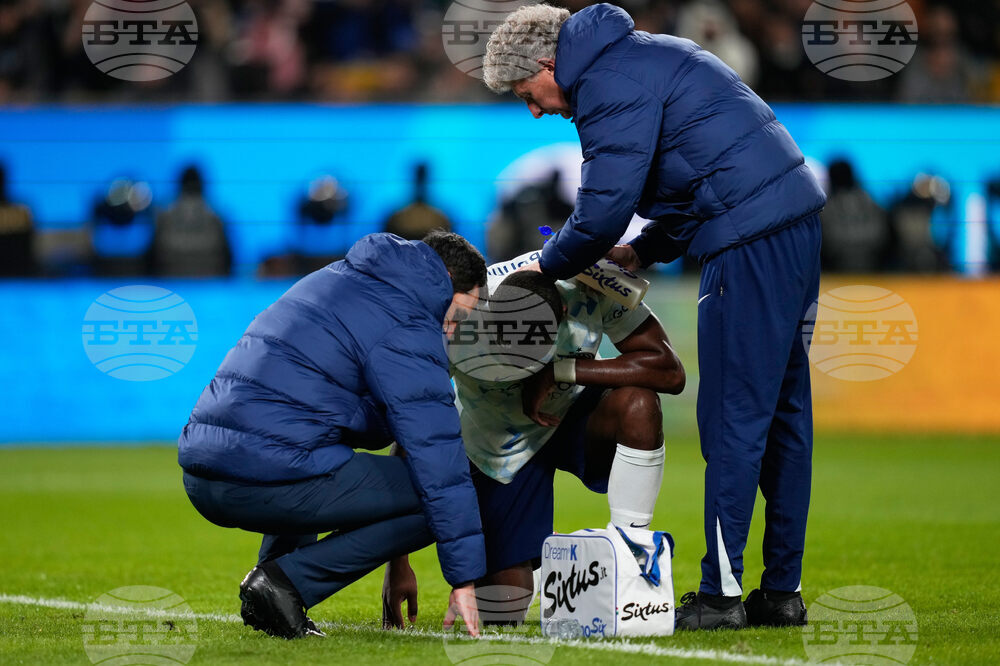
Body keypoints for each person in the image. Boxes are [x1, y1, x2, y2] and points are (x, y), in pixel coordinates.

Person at [483, 3, 826, 630]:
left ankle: (722, 598)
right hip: (791, 224)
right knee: (783, 416)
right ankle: (781, 590)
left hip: (746, 241)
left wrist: (543, 272)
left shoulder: (604, 83)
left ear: (545, 63)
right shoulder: (639, 55)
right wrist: (642, 252)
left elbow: (602, 208)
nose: (533, 110)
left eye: (526, 94)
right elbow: (702, 176)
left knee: (733, 419)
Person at [178, 231, 487, 639]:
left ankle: (272, 590)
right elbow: (439, 461)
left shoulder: (337, 279)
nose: (453, 333)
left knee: (311, 446)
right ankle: (285, 583)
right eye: (461, 316)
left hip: (204, 473)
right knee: (431, 499)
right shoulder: (410, 319)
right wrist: (464, 581)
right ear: (446, 279)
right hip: (258, 476)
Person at [382, 255, 685, 627]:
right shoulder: (457, 315)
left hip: (574, 416)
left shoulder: (590, 284)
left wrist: (561, 370)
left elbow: (670, 371)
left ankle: (631, 551)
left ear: (562, 310)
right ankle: (546, 564)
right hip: (499, 449)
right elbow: (412, 424)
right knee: (503, 611)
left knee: (638, 403)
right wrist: (397, 564)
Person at [150, 166, 232, 277]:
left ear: (179, 185)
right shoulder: (215, 215)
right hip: (210, 284)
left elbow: (151, 257)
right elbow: (228, 259)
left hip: (171, 282)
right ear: (202, 185)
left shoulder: (164, 214)